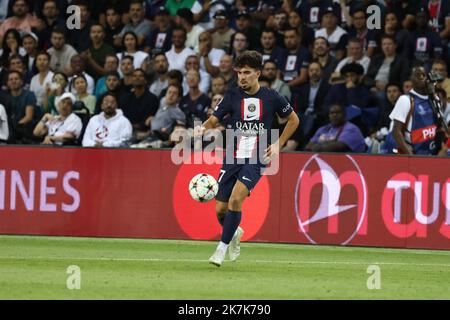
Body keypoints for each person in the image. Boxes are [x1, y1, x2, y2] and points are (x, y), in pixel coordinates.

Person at [194, 51, 299, 267]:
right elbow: (214, 119)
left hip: (258, 154)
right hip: (233, 154)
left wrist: (278, 143)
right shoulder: (232, 96)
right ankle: (234, 232)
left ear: (258, 73)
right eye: (239, 72)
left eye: (247, 72)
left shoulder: (272, 97)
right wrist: (201, 128)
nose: (242, 76)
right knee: (221, 209)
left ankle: (220, 250)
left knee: (236, 199)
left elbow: (293, 120)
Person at [386, 65, 447, 155]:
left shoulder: (435, 99)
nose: (421, 78)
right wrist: (411, 156)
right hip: (414, 153)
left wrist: (442, 149)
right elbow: (396, 132)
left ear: (428, 77)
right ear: (412, 79)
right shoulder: (405, 99)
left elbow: (439, 128)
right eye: (417, 75)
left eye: (423, 75)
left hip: (433, 153)